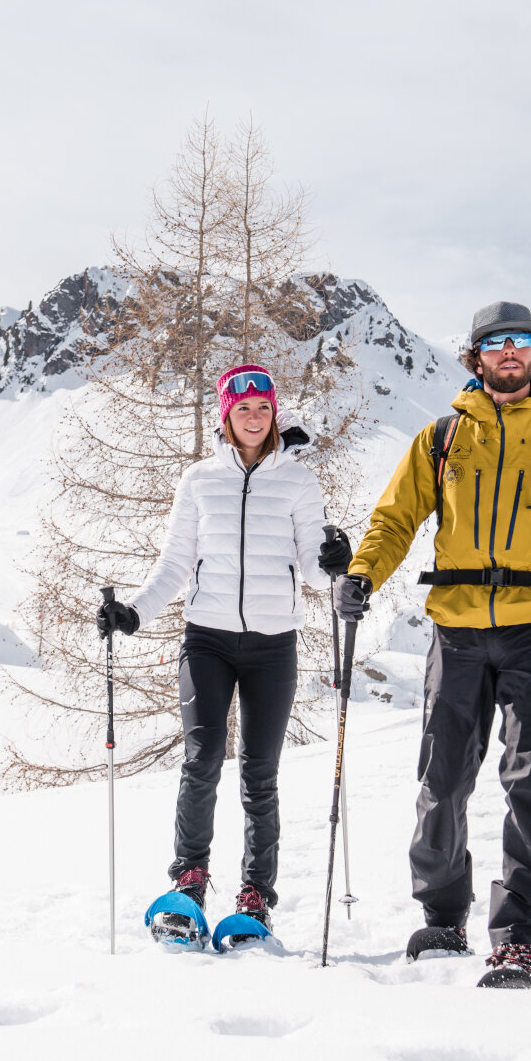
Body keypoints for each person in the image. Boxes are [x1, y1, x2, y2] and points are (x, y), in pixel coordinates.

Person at [332, 302, 531, 989]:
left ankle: (522, 937)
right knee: (442, 777)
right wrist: (362, 574)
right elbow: (395, 518)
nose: (509, 352)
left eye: (521, 342)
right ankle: (442, 916)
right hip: (456, 633)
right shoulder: (441, 438)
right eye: (495, 342)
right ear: (475, 357)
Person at [98, 364, 351, 932]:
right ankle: (188, 882)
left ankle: (256, 895)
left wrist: (336, 560)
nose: (254, 418)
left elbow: (315, 572)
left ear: (275, 413)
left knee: (260, 773)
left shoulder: (299, 482)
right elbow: (174, 562)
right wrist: (134, 612)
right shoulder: (199, 480)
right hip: (207, 640)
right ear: (226, 415)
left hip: (273, 646)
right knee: (203, 759)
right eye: (243, 409)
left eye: (263, 408)